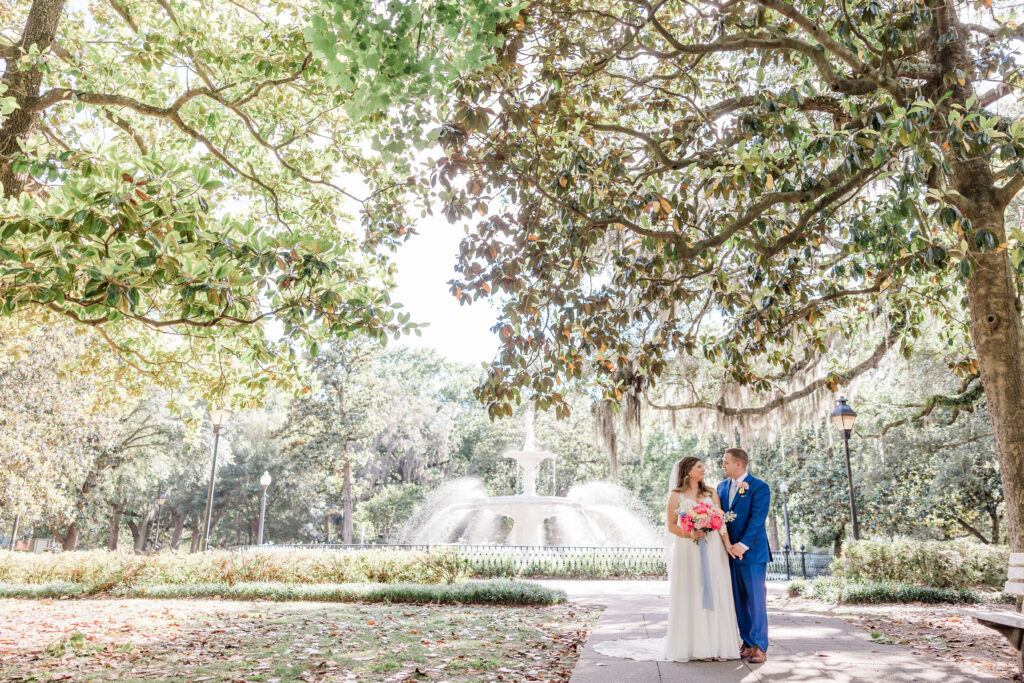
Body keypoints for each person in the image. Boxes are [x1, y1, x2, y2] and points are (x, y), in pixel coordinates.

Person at [592, 456, 741, 662]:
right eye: (699, 467)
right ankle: (701, 647)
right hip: (690, 549)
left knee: (716, 591)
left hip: (714, 548)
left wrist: (727, 544)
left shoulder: (711, 492)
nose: (703, 470)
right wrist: (691, 533)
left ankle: (719, 646)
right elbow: (672, 525)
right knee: (694, 592)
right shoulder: (676, 495)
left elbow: (721, 519)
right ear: (689, 470)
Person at [717, 447, 771, 663]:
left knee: (756, 600)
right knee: (738, 601)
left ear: (739, 464)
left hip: (752, 554)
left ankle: (760, 646)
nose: (723, 466)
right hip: (727, 553)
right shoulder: (720, 487)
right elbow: (718, 518)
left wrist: (742, 545)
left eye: (726, 462)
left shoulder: (759, 487)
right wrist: (728, 545)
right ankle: (747, 642)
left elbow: (758, 519)